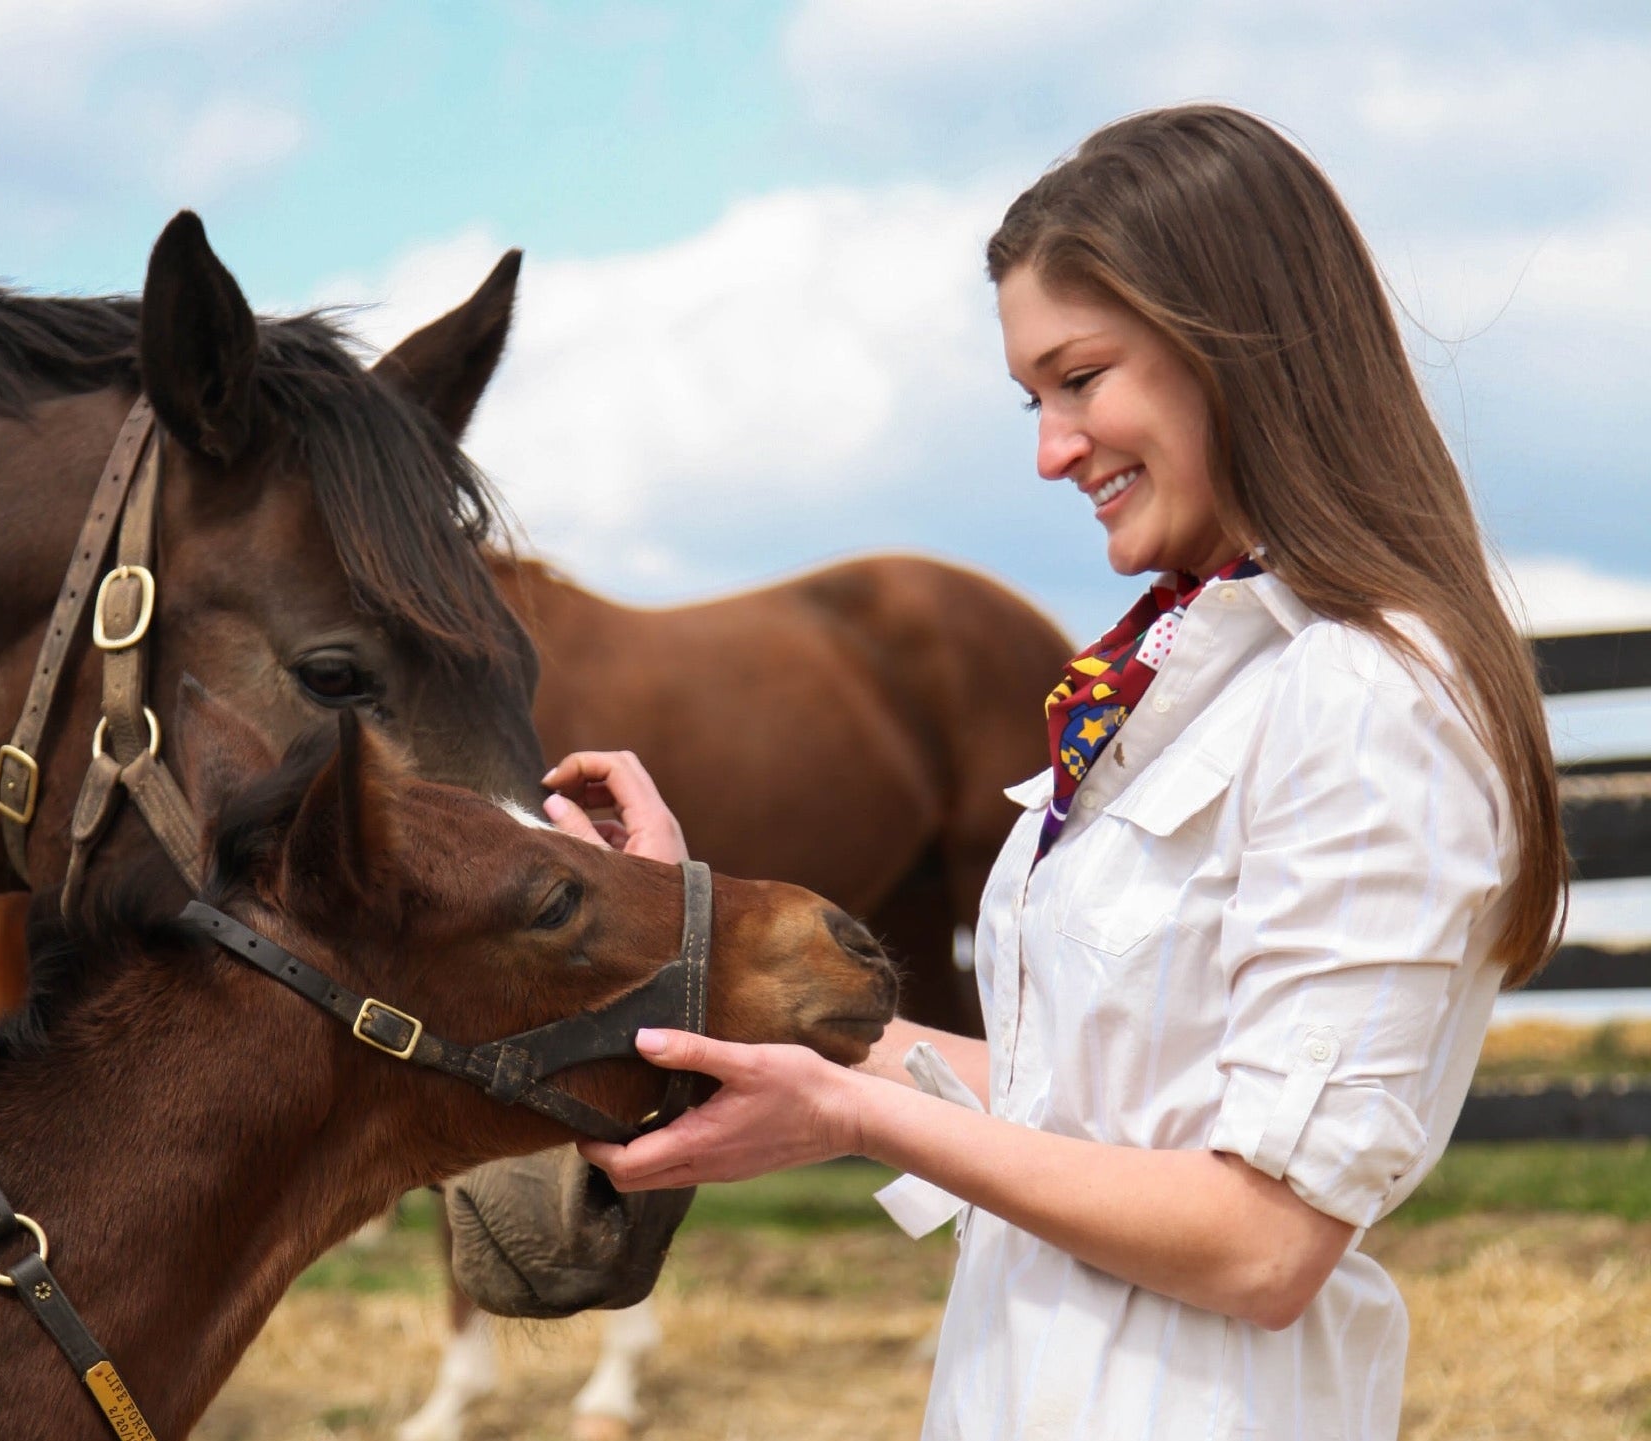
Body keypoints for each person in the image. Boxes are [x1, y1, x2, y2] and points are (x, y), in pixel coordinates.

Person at [538, 104, 1565, 1440]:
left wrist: (858, 1109)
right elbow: (1076, 1115)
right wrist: (700, 931)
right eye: (1034, 397)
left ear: (1235, 343)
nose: (1051, 449)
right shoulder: (1187, 679)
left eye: (1082, 378)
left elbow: (1264, 1241)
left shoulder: (1368, 695)